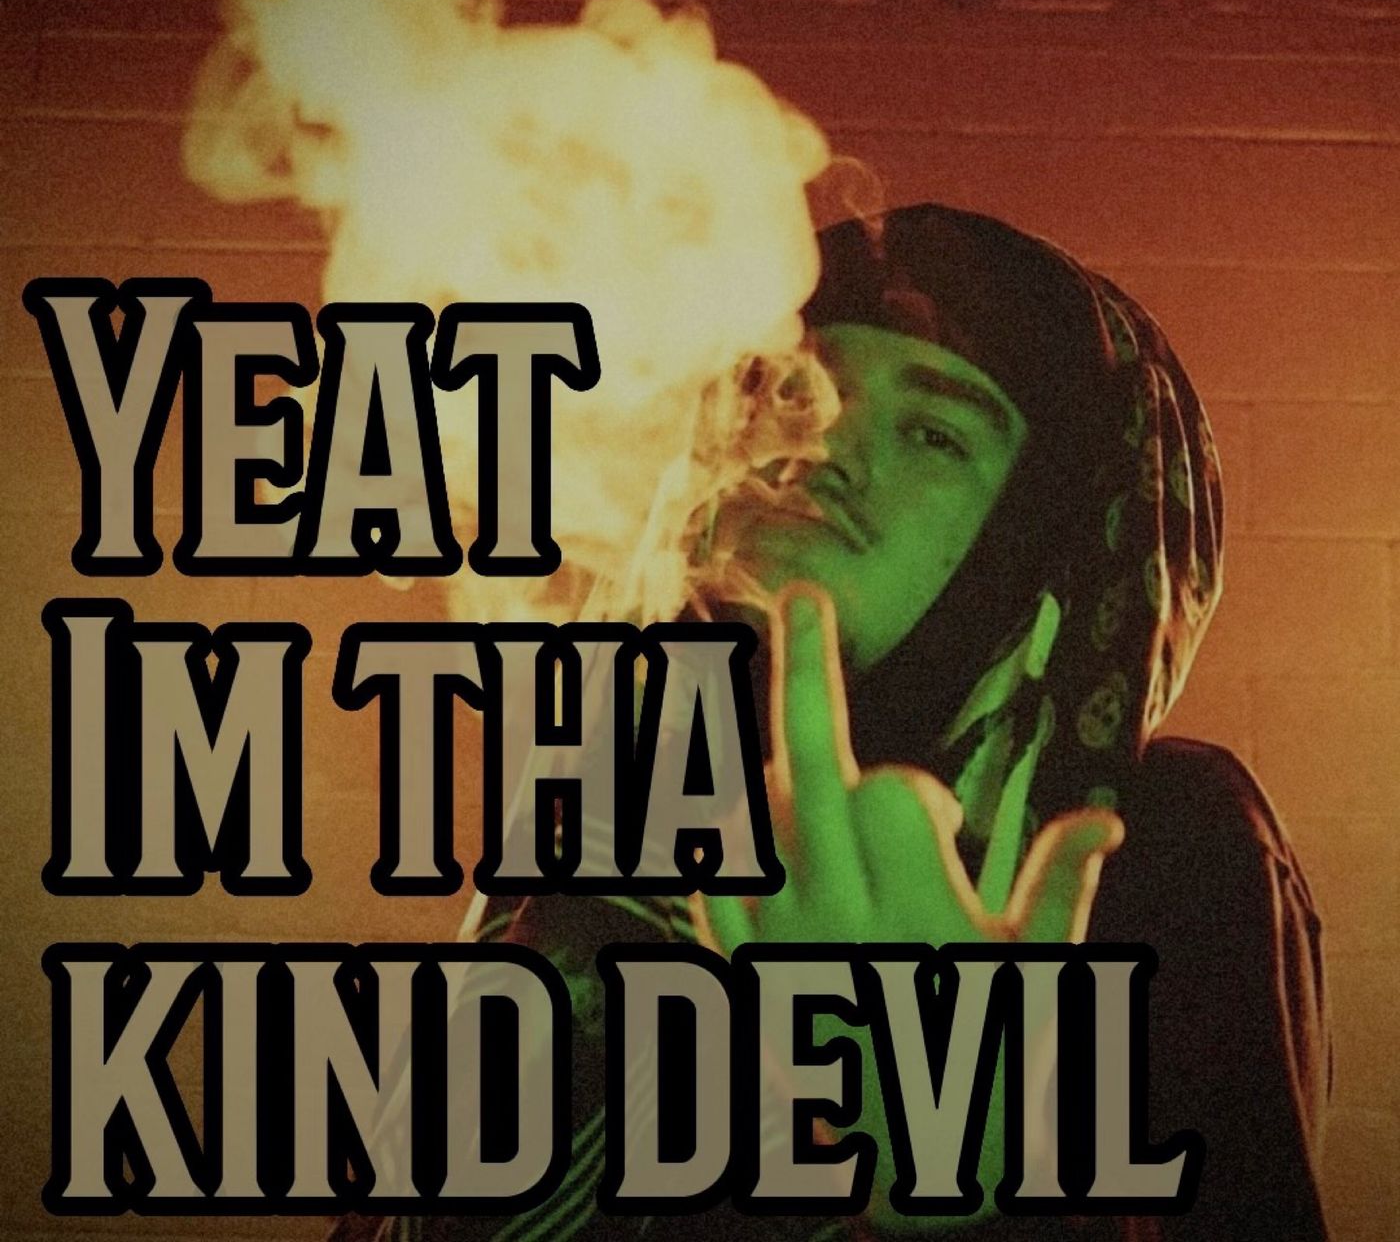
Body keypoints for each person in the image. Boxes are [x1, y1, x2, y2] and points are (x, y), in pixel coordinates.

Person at [336, 203, 1330, 1240]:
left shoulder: (1154, 843)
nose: (819, 448)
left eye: (933, 432)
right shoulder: (612, 824)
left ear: (1048, 541)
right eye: (793, 393)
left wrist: (961, 1192)